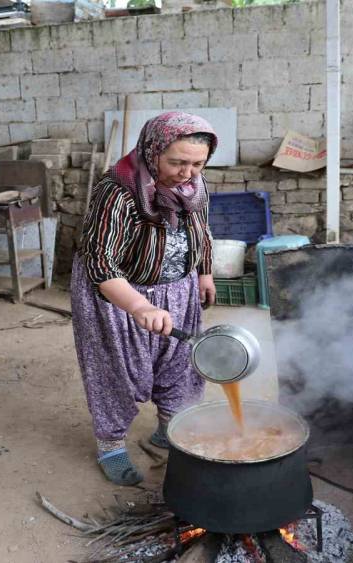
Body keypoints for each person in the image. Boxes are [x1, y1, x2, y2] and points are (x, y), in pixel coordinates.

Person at [70, 112, 218, 486]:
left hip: (177, 288)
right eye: (178, 162)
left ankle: (169, 428)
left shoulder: (195, 187)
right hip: (117, 294)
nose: (188, 173)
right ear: (153, 152)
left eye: (198, 163)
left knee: (180, 362)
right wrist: (139, 306)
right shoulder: (117, 191)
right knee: (117, 371)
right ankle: (111, 444)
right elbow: (100, 262)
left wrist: (203, 271)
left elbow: (200, 229)